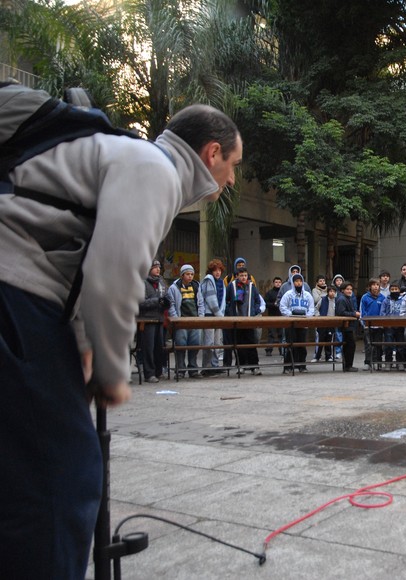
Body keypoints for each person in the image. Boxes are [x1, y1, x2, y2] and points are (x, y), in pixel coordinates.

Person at [0, 82, 241, 579]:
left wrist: (85, 347)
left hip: (27, 301)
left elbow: (84, 263)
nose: (233, 179)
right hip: (15, 294)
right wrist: (110, 370)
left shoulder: (133, 159)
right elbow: (113, 274)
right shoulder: (153, 168)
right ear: (212, 153)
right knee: (60, 478)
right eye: (234, 165)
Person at [167, 264, 205, 378]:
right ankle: (180, 370)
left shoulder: (196, 286)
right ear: (182, 275)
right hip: (181, 321)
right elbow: (171, 304)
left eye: (192, 274)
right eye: (187, 274)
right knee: (181, 346)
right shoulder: (174, 288)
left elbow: (201, 303)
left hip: (194, 321)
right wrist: (176, 318)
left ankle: (193, 369)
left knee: (194, 345)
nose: (190, 276)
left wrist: (200, 317)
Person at [225, 268, 265, 374]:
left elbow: (257, 300)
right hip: (237, 321)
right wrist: (230, 312)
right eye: (241, 275)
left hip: (249, 320)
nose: (243, 277)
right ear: (237, 276)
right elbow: (227, 300)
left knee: (251, 344)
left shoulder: (251, 286)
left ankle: (254, 366)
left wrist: (255, 311)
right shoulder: (232, 286)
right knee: (239, 345)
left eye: (245, 275)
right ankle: (241, 365)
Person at [138, 259, 169, 383]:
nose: (158, 269)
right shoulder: (143, 283)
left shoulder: (162, 282)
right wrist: (158, 301)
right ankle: (149, 373)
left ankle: (158, 371)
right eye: (155, 267)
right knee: (148, 348)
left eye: (159, 267)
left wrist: (166, 303)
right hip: (147, 319)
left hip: (159, 319)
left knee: (159, 347)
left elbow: (166, 298)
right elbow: (141, 302)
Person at [279, 273, 316, 372]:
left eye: (300, 281)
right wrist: (291, 315)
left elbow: (312, 309)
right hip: (291, 324)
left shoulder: (308, 295)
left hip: (303, 324)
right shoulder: (288, 294)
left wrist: (306, 316)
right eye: (296, 281)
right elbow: (282, 307)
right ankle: (288, 367)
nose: (298, 283)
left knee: (301, 346)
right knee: (291, 345)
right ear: (293, 282)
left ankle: (302, 366)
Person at [200, 259, 226, 375]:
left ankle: (215, 365)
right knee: (209, 343)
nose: (218, 272)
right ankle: (206, 367)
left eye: (219, 270)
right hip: (209, 315)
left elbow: (223, 300)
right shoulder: (208, 280)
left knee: (217, 343)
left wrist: (221, 313)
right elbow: (211, 299)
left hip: (219, 316)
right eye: (215, 270)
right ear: (211, 271)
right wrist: (219, 314)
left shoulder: (221, 282)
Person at [360, 278, 386, 370]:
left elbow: (384, 312)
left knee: (378, 345)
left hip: (379, 326)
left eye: (377, 285)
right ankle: (368, 362)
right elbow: (362, 311)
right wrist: (364, 323)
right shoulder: (365, 297)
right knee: (368, 344)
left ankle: (378, 361)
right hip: (368, 325)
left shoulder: (383, 298)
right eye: (373, 285)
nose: (375, 287)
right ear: (370, 286)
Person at [335, 282, 360, 371]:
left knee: (350, 345)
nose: (349, 291)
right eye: (347, 289)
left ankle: (348, 365)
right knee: (349, 345)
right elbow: (341, 313)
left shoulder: (348, 298)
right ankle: (347, 366)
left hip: (350, 325)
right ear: (342, 290)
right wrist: (354, 314)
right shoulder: (342, 299)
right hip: (346, 326)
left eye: (350, 289)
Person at [381, 280, 405, 369]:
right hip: (389, 327)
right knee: (388, 345)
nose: (394, 291)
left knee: (400, 345)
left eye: (396, 289)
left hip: (400, 326)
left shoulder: (403, 300)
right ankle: (388, 361)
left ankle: (400, 362)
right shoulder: (385, 301)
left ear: (399, 290)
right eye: (392, 289)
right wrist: (385, 323)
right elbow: (382, 313)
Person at [315, 284, 338, 362]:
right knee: (320, 340)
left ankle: (328, 356)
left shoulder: (337, 301)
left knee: (329, 340)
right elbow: (316, 308)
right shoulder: (323, 299)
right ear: (328, 292)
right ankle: (317, 356)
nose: (332, 293)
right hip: (322, 322)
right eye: (330, 291)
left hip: (331, 323)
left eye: (334, 291)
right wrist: (318, 316)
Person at [263, 276, 284, 357]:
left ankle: (282, 350)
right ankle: (269, 350)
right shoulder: (269, 293)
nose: (278, 284)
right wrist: (273, 304)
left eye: (279, 282)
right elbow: (265, 304)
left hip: (281, 316)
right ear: (273, 283)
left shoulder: (283, 293)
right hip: (272, 316)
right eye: (276, 282)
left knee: (281, 334)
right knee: (271, 334)